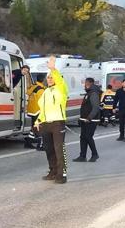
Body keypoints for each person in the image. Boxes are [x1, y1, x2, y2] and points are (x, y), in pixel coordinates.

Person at [35, 56, 69, 184]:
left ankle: (62, 174)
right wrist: (38, 121)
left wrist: (53, 69)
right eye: (48, 77)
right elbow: (42, 109)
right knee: (49, 149)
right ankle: (53, 171)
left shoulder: (61, 89)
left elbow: (59, 79)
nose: (49, 79)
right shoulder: (45, 92)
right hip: (45, 123)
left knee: (59, 149)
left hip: (57, 123)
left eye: (51, 77)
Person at [73, 77, 101, 163]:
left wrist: (89, 118)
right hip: (85, 119)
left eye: (85, 83)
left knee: (88, 137)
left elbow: (95, 107)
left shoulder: (93, 93)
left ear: (89, 83)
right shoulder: (88, 93)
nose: (84, 85)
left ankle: (95, 154)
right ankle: (82, 156)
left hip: (91, 120)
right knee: (83, 137)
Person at [22, 65, 45, 150]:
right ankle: (40, 145)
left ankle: (28, 141)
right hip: (38, 110)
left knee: (34, 127)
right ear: (43, 80)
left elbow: (27, 93)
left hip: (31, 110)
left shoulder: (33, 86)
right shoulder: (41, 90)